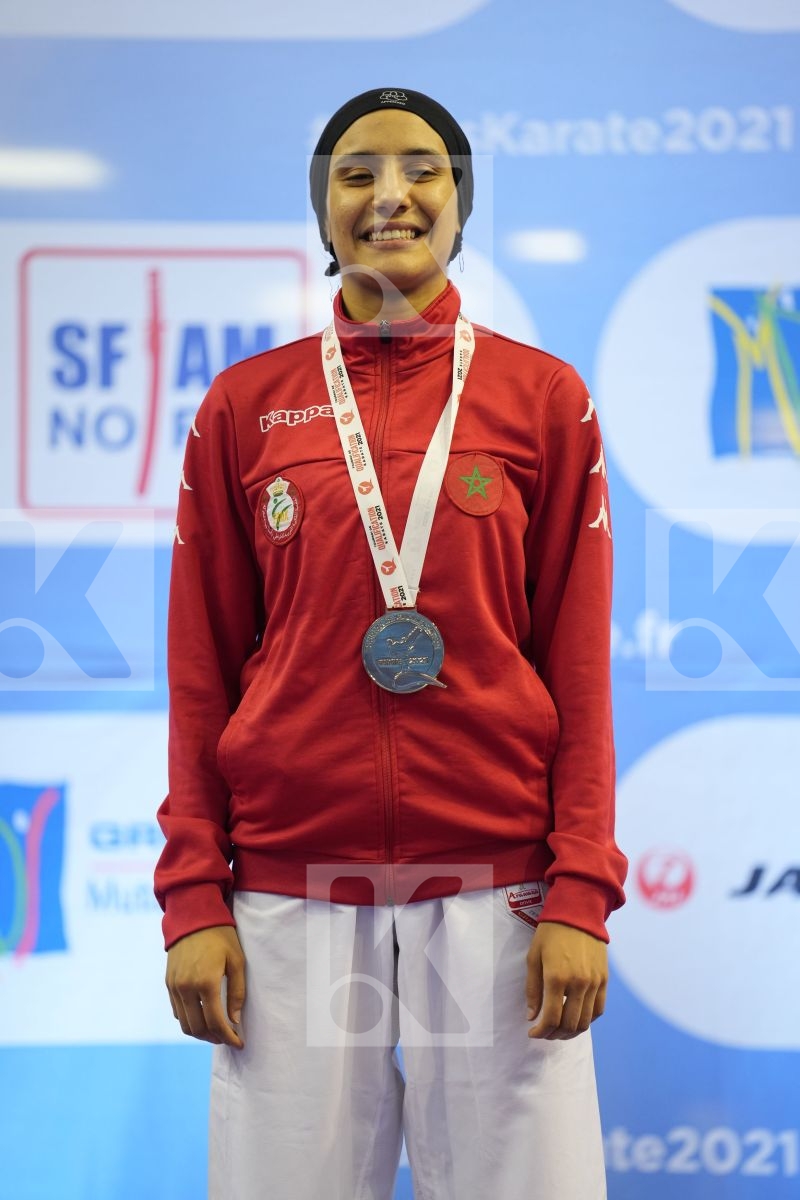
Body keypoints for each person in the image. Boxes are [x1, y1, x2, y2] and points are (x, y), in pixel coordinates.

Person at [154, 86, 628, 1200]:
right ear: (322, 210)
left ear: (459, 200)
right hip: (293, 887)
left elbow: (576, 673)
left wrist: (576, 895)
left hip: (493, 889)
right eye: (354, 173)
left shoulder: (540, 399)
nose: (389, 196)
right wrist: (193, 898)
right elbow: (198, 674)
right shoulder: (245, 406)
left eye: (421, 168)